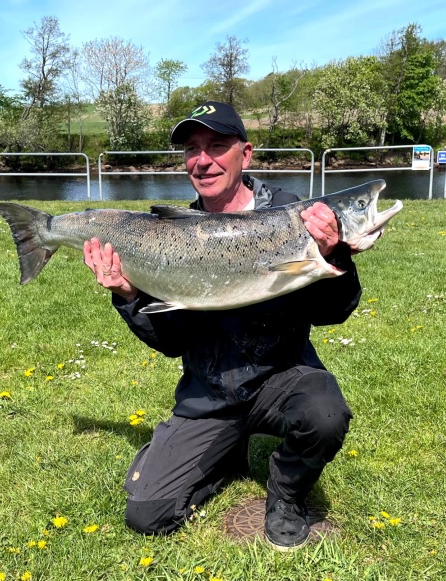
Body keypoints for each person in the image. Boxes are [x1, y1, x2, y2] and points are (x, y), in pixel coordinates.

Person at [83, 101, 361, 551]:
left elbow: (335, 311)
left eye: (217, 145)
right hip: (208, 392)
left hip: (282, 376)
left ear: (246, 154)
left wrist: (333, 257)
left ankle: (286, 494)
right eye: (192, 149)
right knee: (148, 512)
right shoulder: (171, 234)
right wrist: (128, 295)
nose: (203, 160)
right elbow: (173, 342)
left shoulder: (298, 215)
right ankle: (223, 454)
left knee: (324, 415)